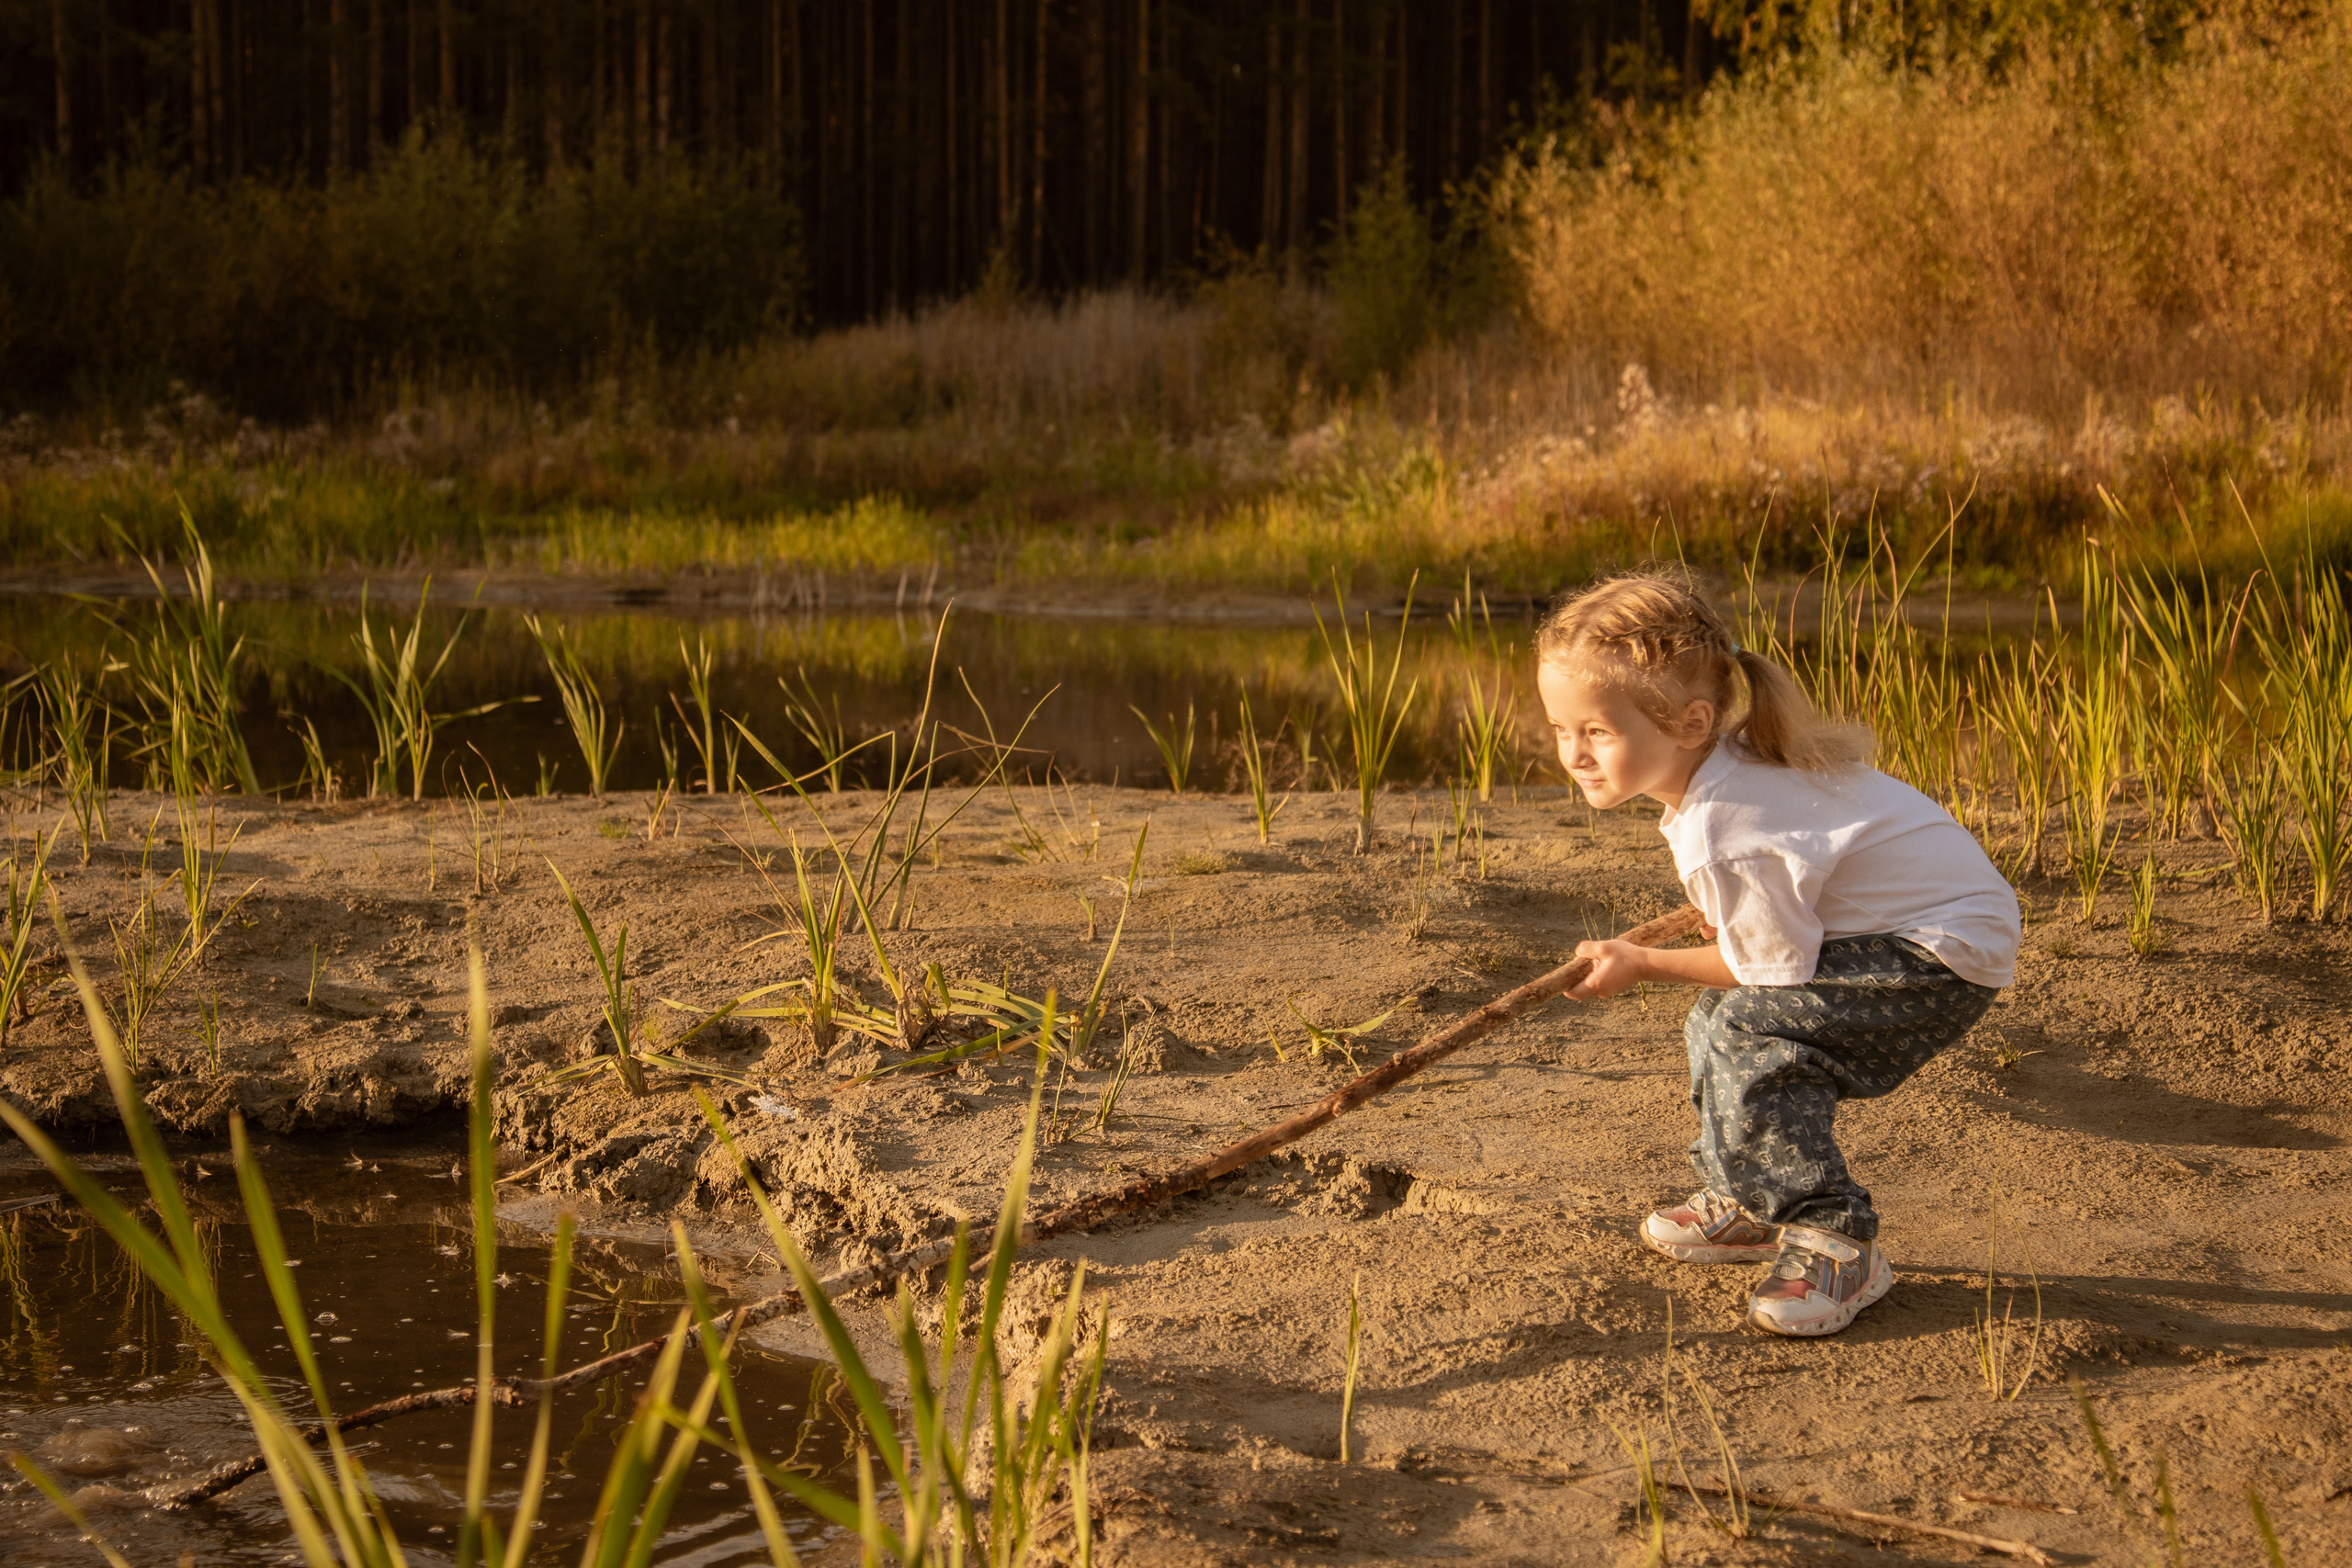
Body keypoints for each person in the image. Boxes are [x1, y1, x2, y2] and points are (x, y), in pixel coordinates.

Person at [1536, 573, 2018, 1337]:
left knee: (1753, 1032)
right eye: (1562, 729)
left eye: (1597, 731)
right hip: (1908, 925)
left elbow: (1770, 971)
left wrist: (1642, 961)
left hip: (1940, 950)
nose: (1574, 753)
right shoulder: (1721, 771)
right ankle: (1752, 1194)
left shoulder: (1725, 821)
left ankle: (1835, 1238)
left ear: (1692, 721)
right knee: (1720, 1018)